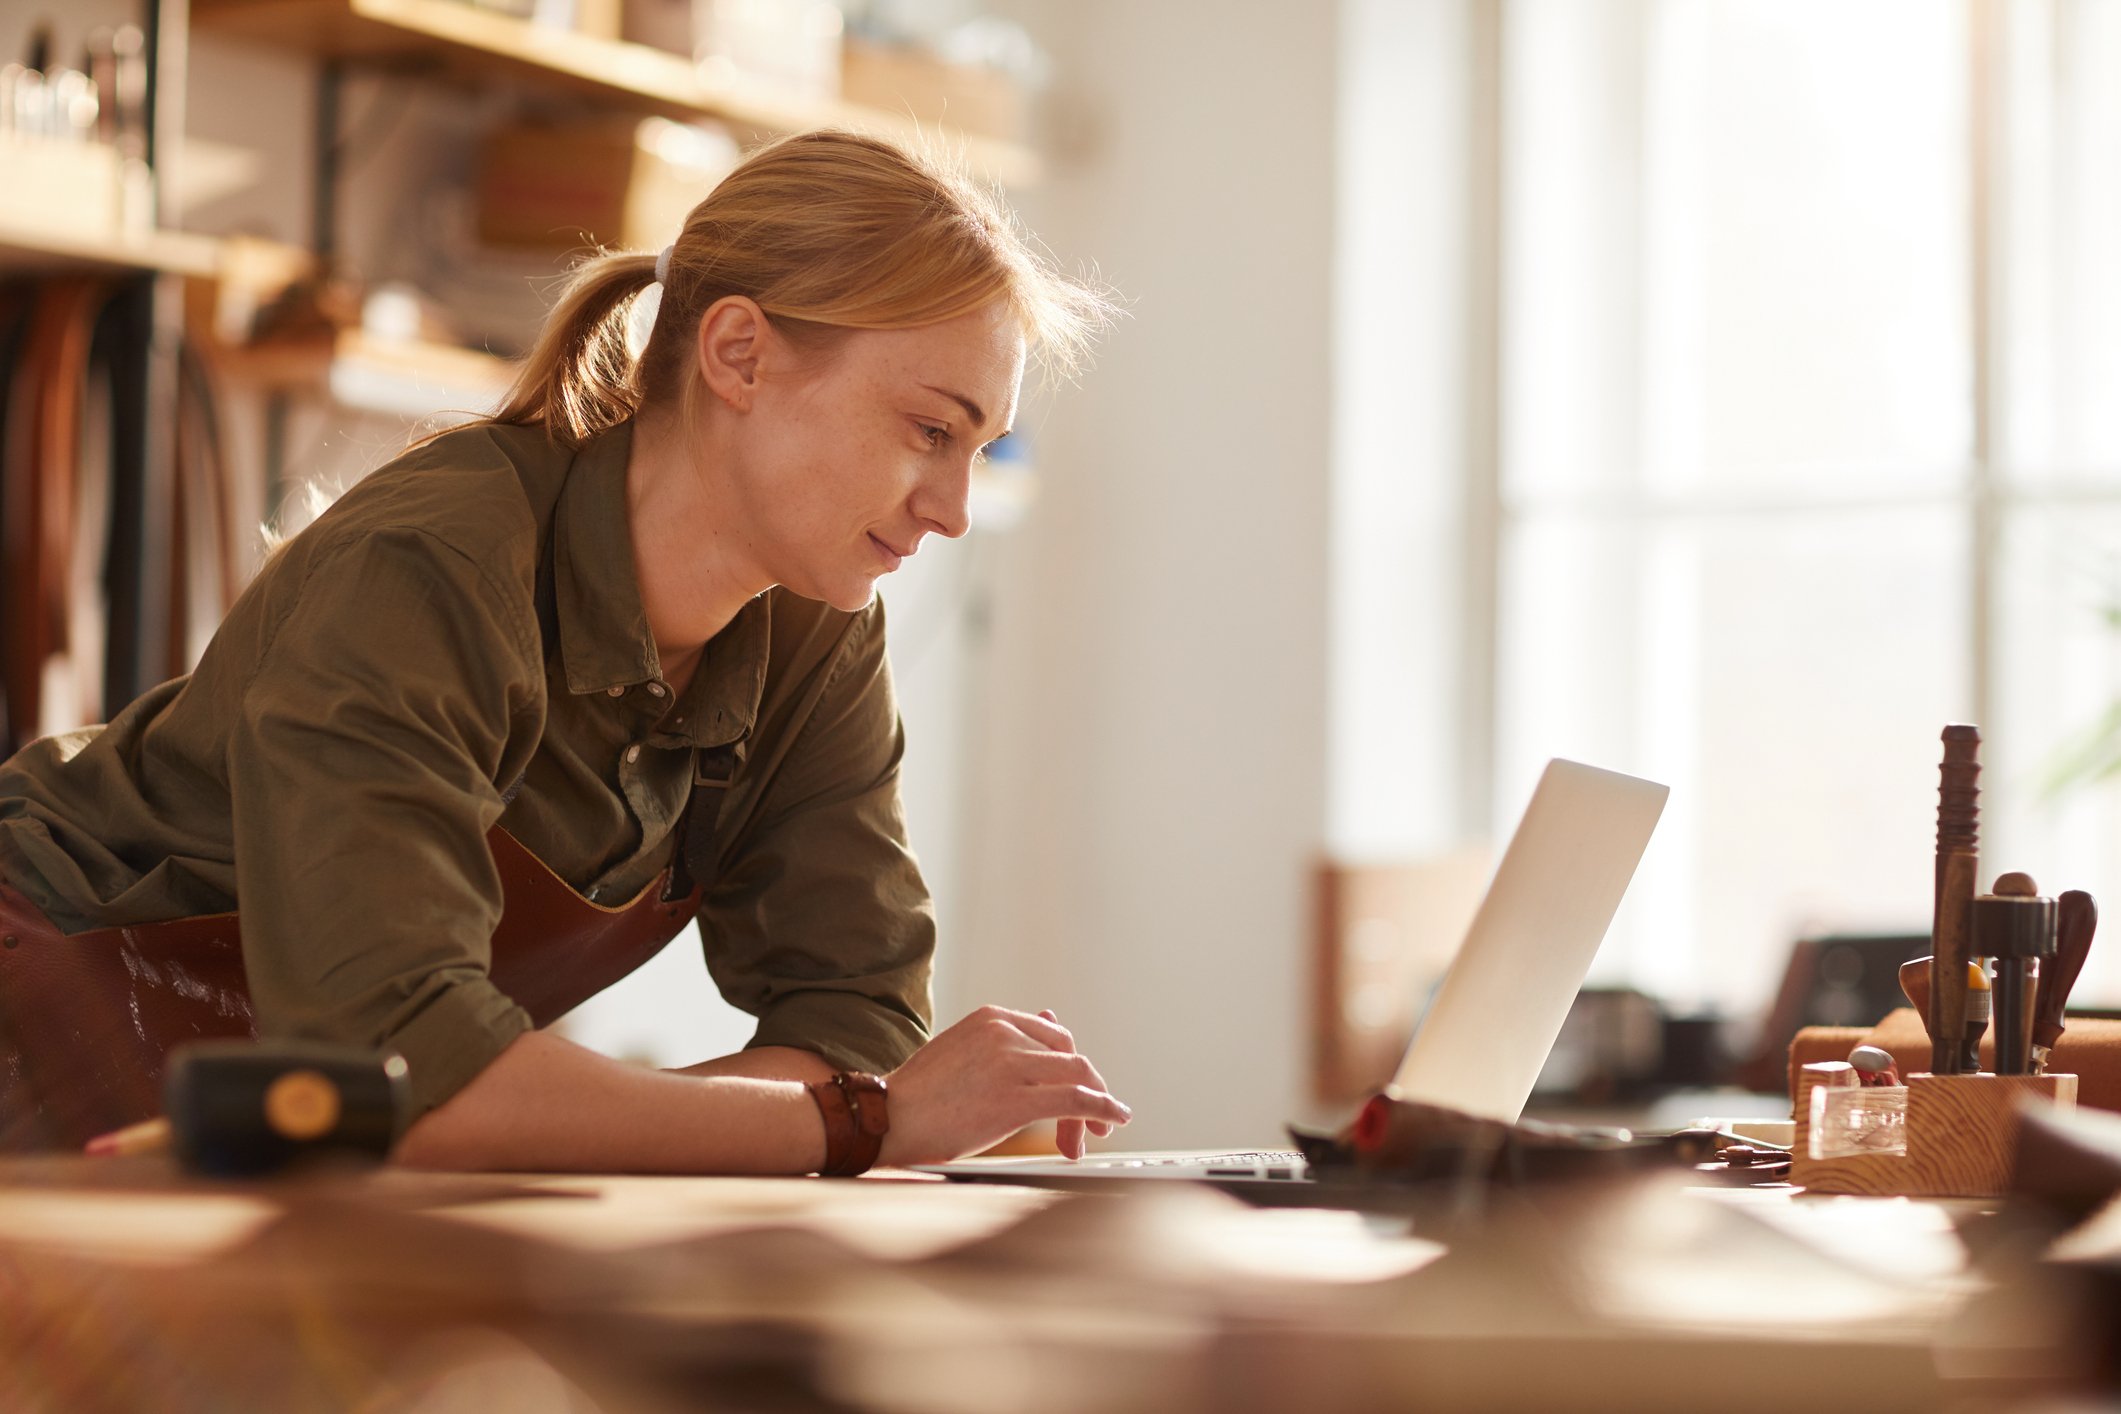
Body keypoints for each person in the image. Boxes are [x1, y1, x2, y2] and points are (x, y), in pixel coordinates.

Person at [0, 129, 1131, 1175]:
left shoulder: (816, 634)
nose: (954, 510)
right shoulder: (430, 565)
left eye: (978, 448)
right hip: (34, 1032)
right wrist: (851, 1123)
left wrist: (815, 1115)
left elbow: (853, 1027)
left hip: (273, 1132)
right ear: (739, 355)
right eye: (931, 430)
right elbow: (405, 1073)